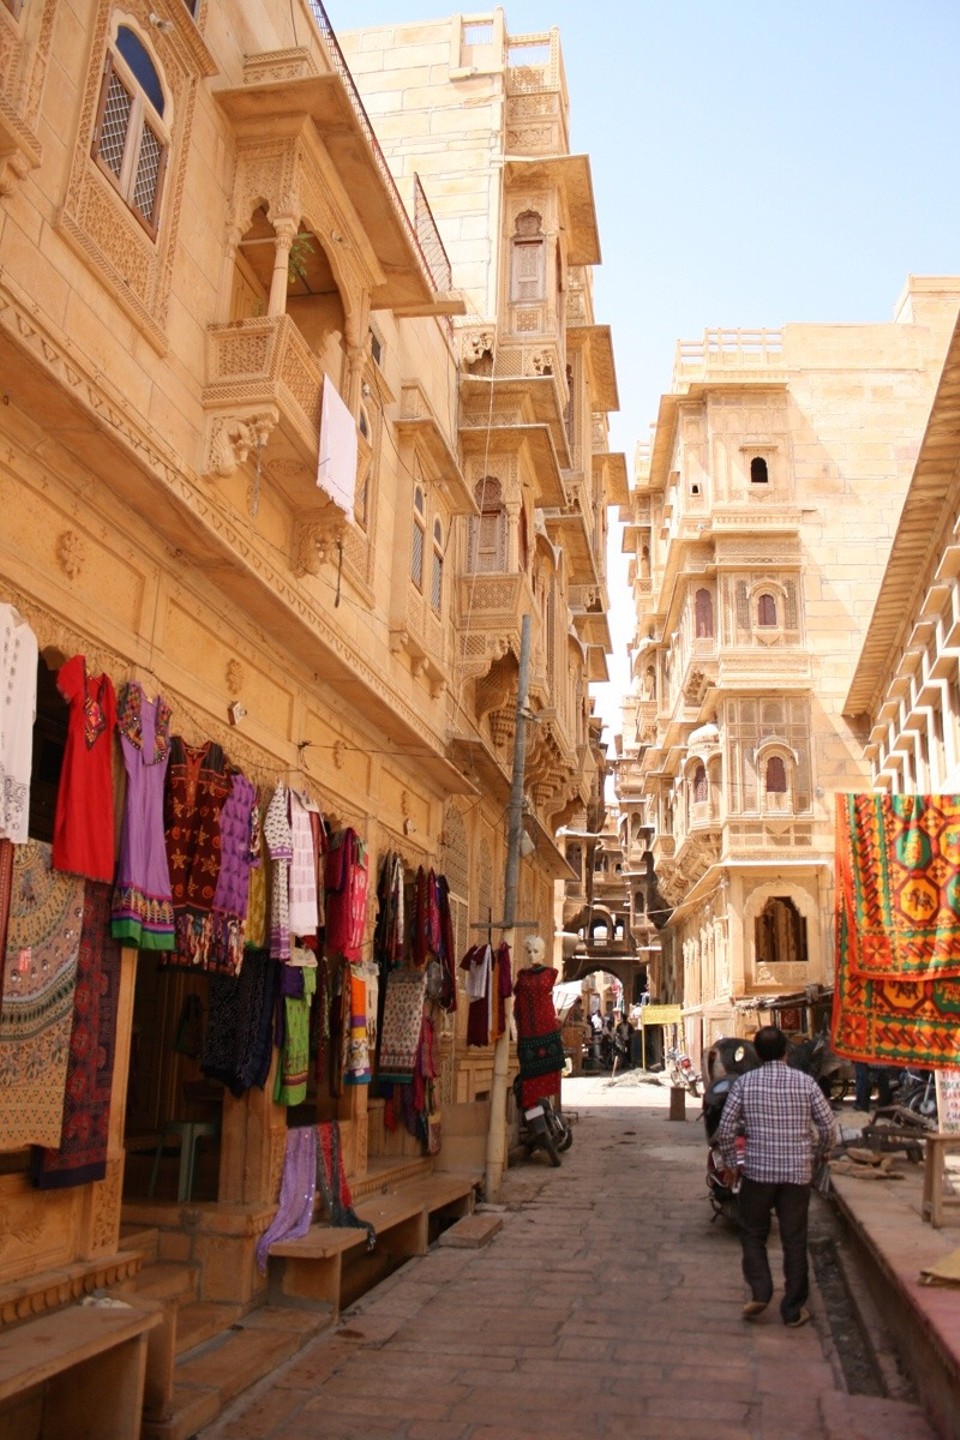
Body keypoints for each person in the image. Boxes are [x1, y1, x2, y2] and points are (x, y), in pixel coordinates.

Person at [715, 1024, 837, 1328]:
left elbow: (726, 1128)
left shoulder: (745, 1083)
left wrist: (731, 1163)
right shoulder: (806, 1083)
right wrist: (819, 1154)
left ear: (757, 1054)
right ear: (785, 1052)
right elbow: (828, 1127)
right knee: (794, 1240)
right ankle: (793, 1310)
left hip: (758, 1173)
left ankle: (761, 1290)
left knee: (752, 1233)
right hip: (796, 1175)